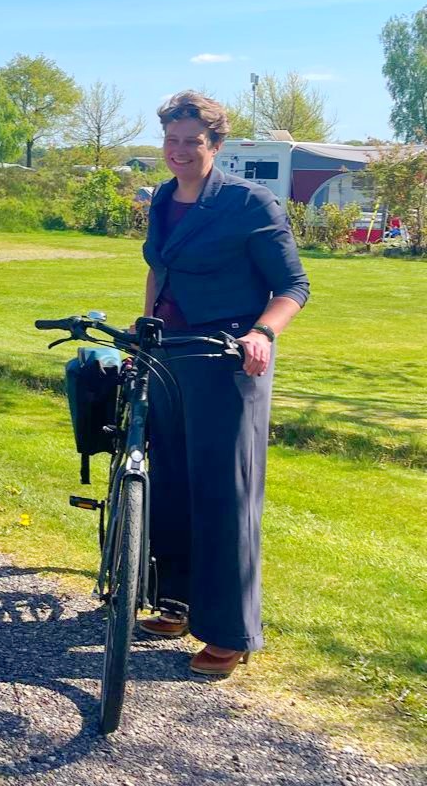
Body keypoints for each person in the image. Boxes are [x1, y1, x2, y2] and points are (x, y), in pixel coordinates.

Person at [138, 91, 308, 676]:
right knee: (170, 484)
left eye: (193, 142)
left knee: (224, 496)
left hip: (227, 360)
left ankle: (230, 632)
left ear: (216, 145)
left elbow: (293, 287)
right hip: (168, 357)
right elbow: (161, 270)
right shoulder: (163, 198)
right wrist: (144, 335)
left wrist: (262, 333)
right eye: (172, 140)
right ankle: (178, 603)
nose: (180, 152)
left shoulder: (248, 203)